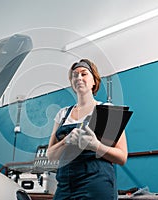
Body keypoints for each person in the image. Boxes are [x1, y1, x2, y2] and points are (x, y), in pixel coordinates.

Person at [47, 59, 128, 200]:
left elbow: (122, 157)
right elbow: (50, 155)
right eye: (74, 75)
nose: (78, 78)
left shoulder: (108, 111)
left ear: (94, 81)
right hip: (66, 185)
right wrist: (65, 141)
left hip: (96, 184)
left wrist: (96, 146)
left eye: (84, 74)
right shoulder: (62, 114)